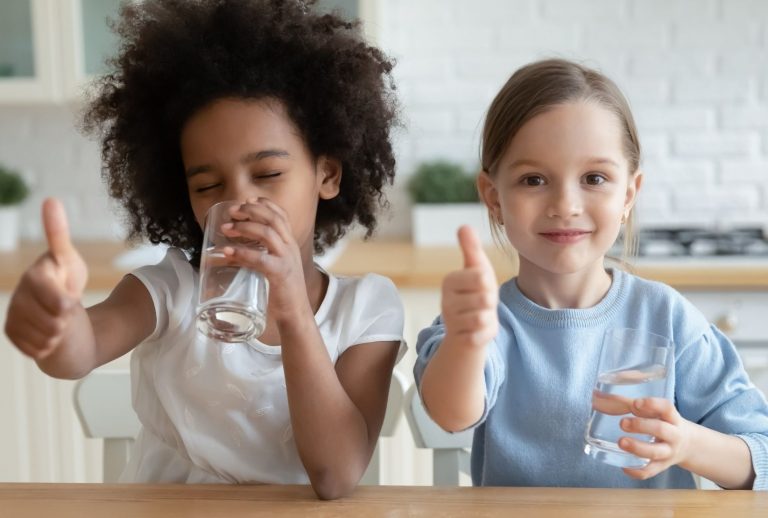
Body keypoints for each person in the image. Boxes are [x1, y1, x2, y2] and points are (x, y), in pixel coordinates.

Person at [4, 0, 405, 499]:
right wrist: (56, 325)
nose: (238, 202)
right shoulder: (170, 289)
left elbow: (335, 475)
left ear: (327, 174)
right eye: (208, 185)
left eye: (268, 175)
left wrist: (291, 305)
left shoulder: (366, 310)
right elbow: (79, 350)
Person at [414, 58, 768, 490]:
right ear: (493, 198)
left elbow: (760, 456)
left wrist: (687, 444)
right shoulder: (485, 322)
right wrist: (466, 342)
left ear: (628, 195)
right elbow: (450, 414)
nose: (566, 204)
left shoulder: (668, 318)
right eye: (533, 180)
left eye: (594, 177)